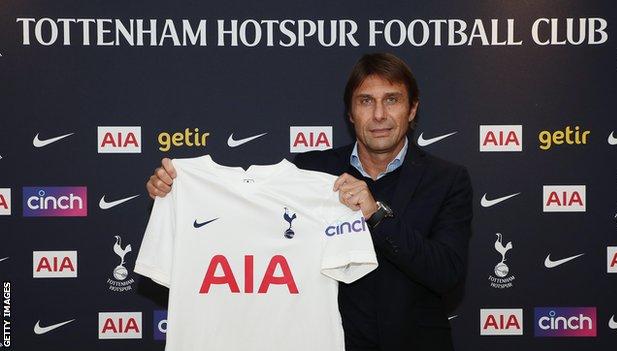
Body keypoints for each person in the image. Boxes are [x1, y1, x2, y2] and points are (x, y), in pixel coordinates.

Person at [146, 53, 473, 351]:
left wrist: (375, 214)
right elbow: (243, 220)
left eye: (392, 100)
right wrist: (174, 190)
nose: (379, 114)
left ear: (412, 108)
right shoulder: (308, 172)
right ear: (350, 112)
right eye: (365, 101)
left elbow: (445, 272)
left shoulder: (448, 180)